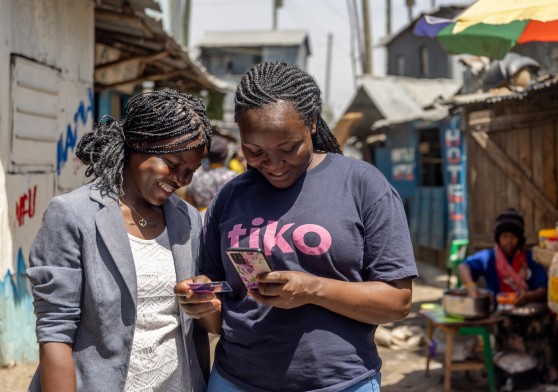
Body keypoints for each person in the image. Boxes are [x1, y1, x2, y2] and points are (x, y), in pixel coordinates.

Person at [175, 61, 418, 392]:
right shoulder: (231, 196)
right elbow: (222, 316)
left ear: (313, 123)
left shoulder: (362, 184)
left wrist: (312, 289)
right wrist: (204, 304)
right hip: (236, 381)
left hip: (339, 383)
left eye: (288, 149)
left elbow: (398, 302)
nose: (273, 165)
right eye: (255, 151)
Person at [26, 90, 213, 392]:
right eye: (172, 164)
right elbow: (55, 333)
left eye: (190, 171)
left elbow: (198, 330)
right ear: (139, 144)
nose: (181, 179)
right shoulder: (74, 214)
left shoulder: (187, 219)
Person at [456, 208, 558, 384]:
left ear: (520, 238)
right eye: (505, 236)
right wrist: (472, 287)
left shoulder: (531, 258)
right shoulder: (489, 257)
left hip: (531, 311)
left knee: (540, 325)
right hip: (502, 314)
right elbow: (463, 267)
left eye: (513, 236)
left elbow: (544, 288)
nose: (509, 241)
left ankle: (540, 371)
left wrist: (528, 296)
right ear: (498, 238)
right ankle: (505, 372)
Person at [186, 134, 238, 212]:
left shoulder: (195, 177)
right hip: (226, 218)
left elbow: (190, 203)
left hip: (201, 220)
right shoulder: (233, 177)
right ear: (225, 155)